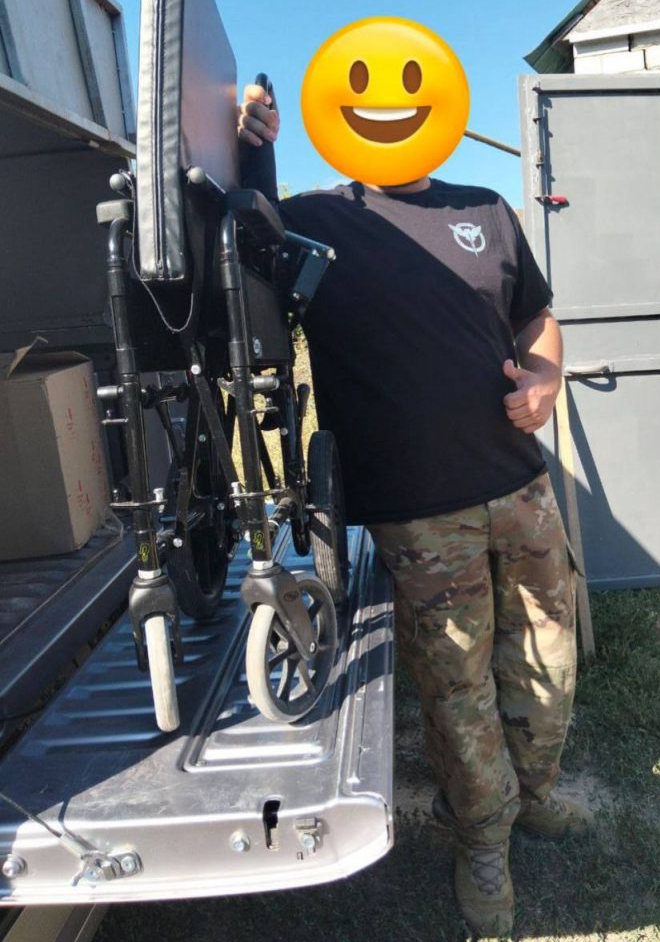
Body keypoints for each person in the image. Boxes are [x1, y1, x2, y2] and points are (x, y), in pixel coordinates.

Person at [238, 84, 591, 937]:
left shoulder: (486, 209)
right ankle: (482, 839)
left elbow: (535, 319)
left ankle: (533, 791)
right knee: (456, 683)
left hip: (520, 484)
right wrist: (254, 148)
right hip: (418, 508)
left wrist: (545, 380)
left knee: (548, 656)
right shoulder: (316, 219)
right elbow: (244, 255)